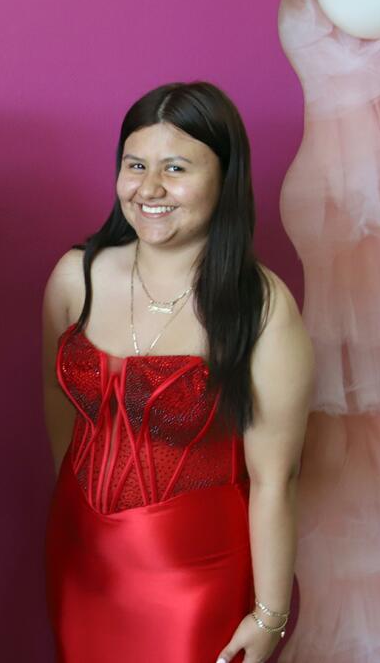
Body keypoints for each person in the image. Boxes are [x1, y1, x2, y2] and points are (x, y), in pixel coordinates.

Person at [41, 82, 312, 663]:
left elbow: (275, 480)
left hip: (193, 573)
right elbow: (58, 407)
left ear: (226, 177)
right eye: (135, 165)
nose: (150, 188)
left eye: (176, 168)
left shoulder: (261, 306)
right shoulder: (75, 276)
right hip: (78, 554)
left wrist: (269, 616)